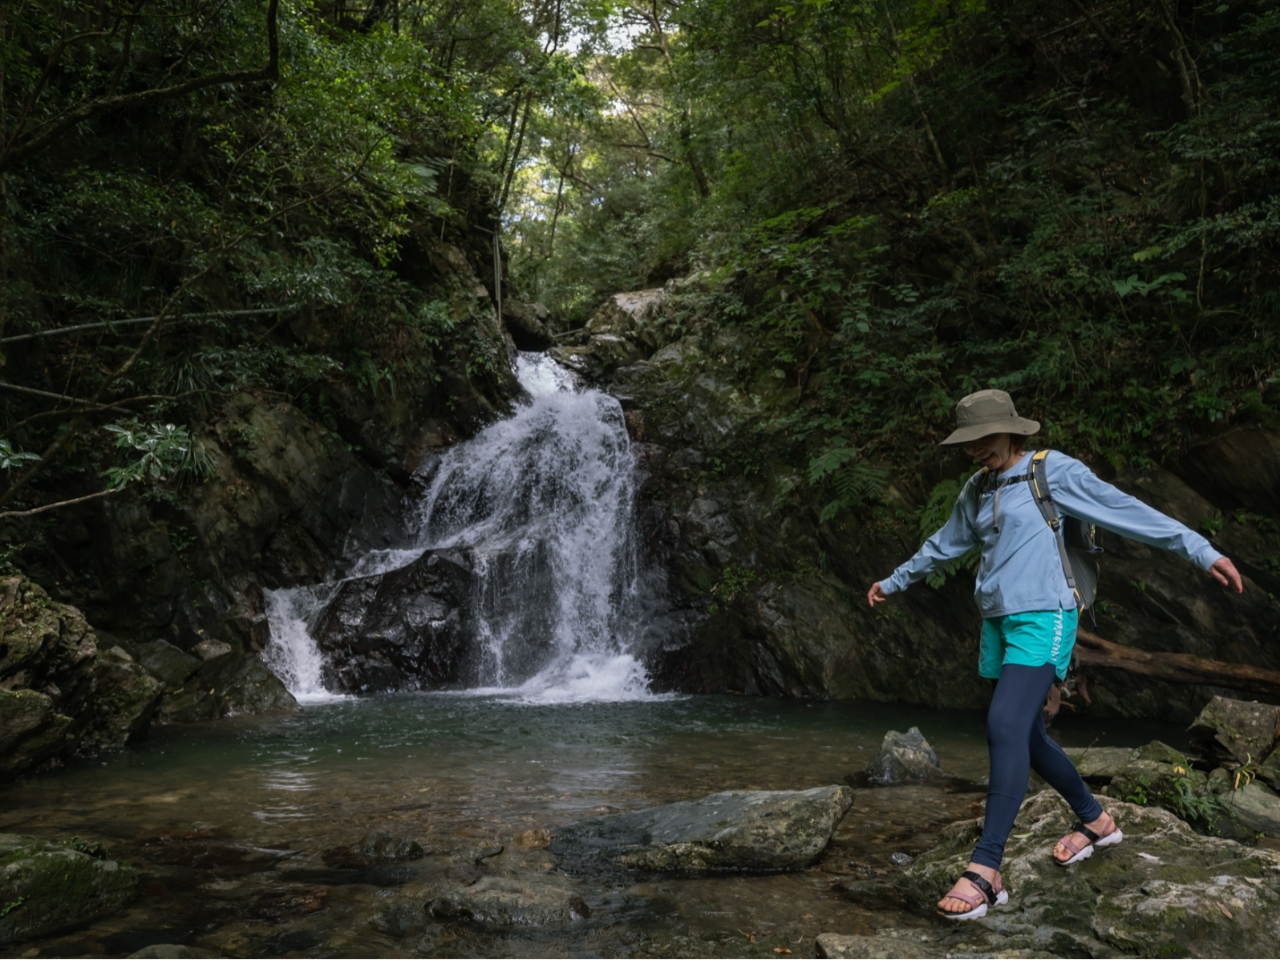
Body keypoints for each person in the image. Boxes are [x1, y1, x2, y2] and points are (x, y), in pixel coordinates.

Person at [866, 389, 1244, 921]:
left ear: (1012, 431)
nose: (977, 450)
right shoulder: (977, 488)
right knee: (1027, 734)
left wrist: (1201, 550)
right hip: (999, 621)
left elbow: (1125, 511)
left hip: (1045, 615)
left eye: (985, 439)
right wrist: (895, 580)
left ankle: (987, 869)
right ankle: (1095, 820)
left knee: (1003, 725)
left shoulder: (1051, 472)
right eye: (968, 443)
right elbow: (944, 544)